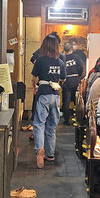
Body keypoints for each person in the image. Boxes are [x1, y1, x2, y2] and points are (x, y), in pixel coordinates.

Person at [31, 35, 66, 168]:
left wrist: (35, 87)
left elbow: (34, 78)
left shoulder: (40, 61)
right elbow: (63, 79)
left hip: (43, 93)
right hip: (55, 95)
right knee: (51, 125)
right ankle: (50, 154)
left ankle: (40, 149)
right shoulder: (60, 62)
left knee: (39, 123)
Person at [61, 42, 84, 125]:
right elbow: (81, 67)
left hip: (66, 80)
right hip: (76, 79)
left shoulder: (62, 58)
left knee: (66, 101)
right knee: (77, 101)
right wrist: (79, 76)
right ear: (71, 48)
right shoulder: (76, 57)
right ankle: (78, 119)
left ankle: (66, 120)